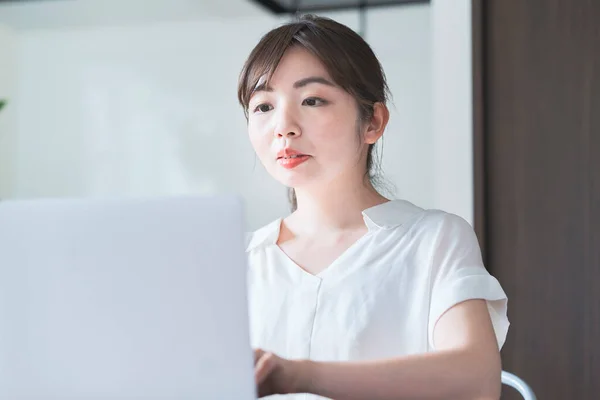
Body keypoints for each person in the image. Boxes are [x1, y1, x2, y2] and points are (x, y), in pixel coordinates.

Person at [238, 14, 508, 400]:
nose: (284, 126)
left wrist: (298, 376)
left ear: (373, 122)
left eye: (312, 100)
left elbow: (476, 380)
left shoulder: (434, 239)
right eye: (263, 106)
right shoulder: (238, 259)